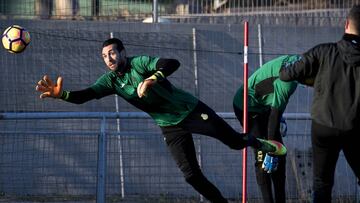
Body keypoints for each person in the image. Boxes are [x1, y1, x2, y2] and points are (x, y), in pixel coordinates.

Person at [35, 38, 287, 203]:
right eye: (104, 56)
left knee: (234, 142)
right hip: (169, 126)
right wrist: (63, 95)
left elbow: (172, 63)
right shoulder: (111, 81)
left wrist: (152, 78)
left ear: (123, 53)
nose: (109, 58)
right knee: (191, 176)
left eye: (112, 53)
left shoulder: (139, 64)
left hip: (190, 110)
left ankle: (260, 142)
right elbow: (86, 96)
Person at [279, 5, 360, 202]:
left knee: (322, 182)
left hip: (324, 125)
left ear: (346, 24)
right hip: (355, 127)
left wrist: (313, 79)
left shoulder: (324, 51)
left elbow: (286, 74)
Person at [233, 55, 299, 203]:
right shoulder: (289, 81)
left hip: (263, 107)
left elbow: (275, 107)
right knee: (262, 154)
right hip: (246, 106)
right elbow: (274, 116)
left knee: (280, 154)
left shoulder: (298, 60)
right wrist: (270, 149)